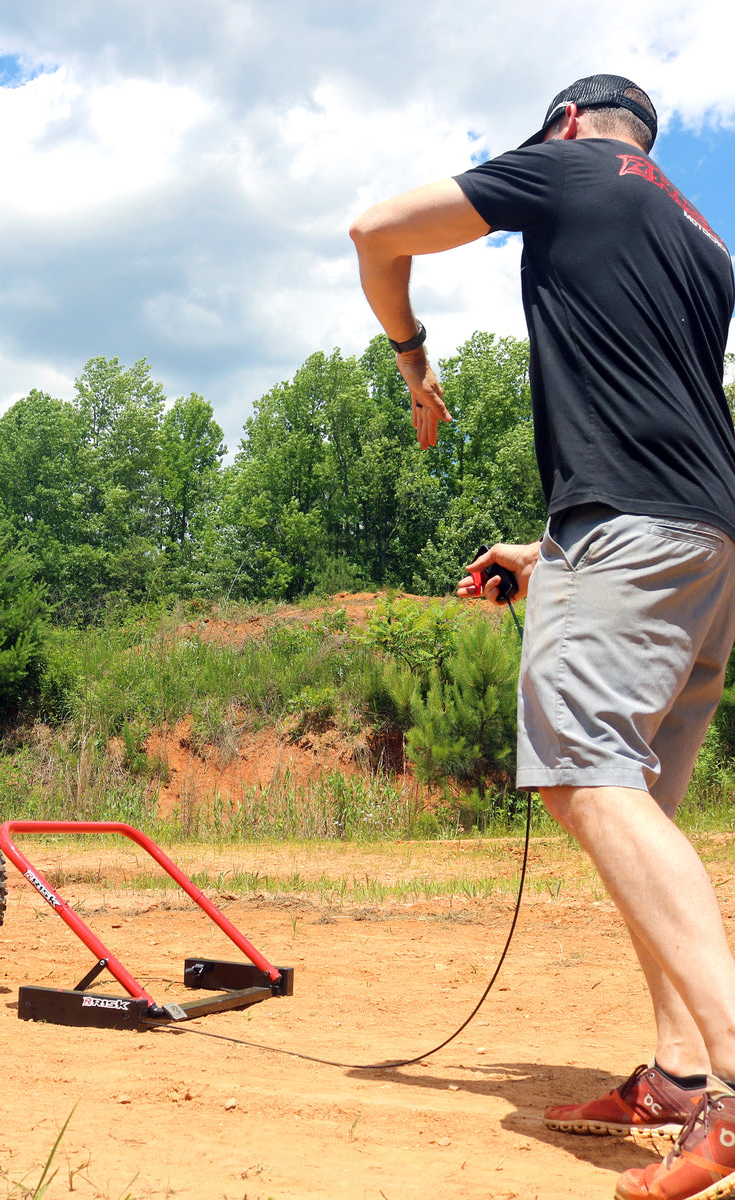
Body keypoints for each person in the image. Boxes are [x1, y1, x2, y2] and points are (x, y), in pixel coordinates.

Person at [350, 75, 735, 1200]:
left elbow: (375, 233)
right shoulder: (701, 230)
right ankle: (677, 1074)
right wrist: (548, 551)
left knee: (585, 780)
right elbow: (656, 418)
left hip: (629, 536)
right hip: (704, 545)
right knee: (639, 806)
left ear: (565, 122)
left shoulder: (569, 165)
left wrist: (413, 362)